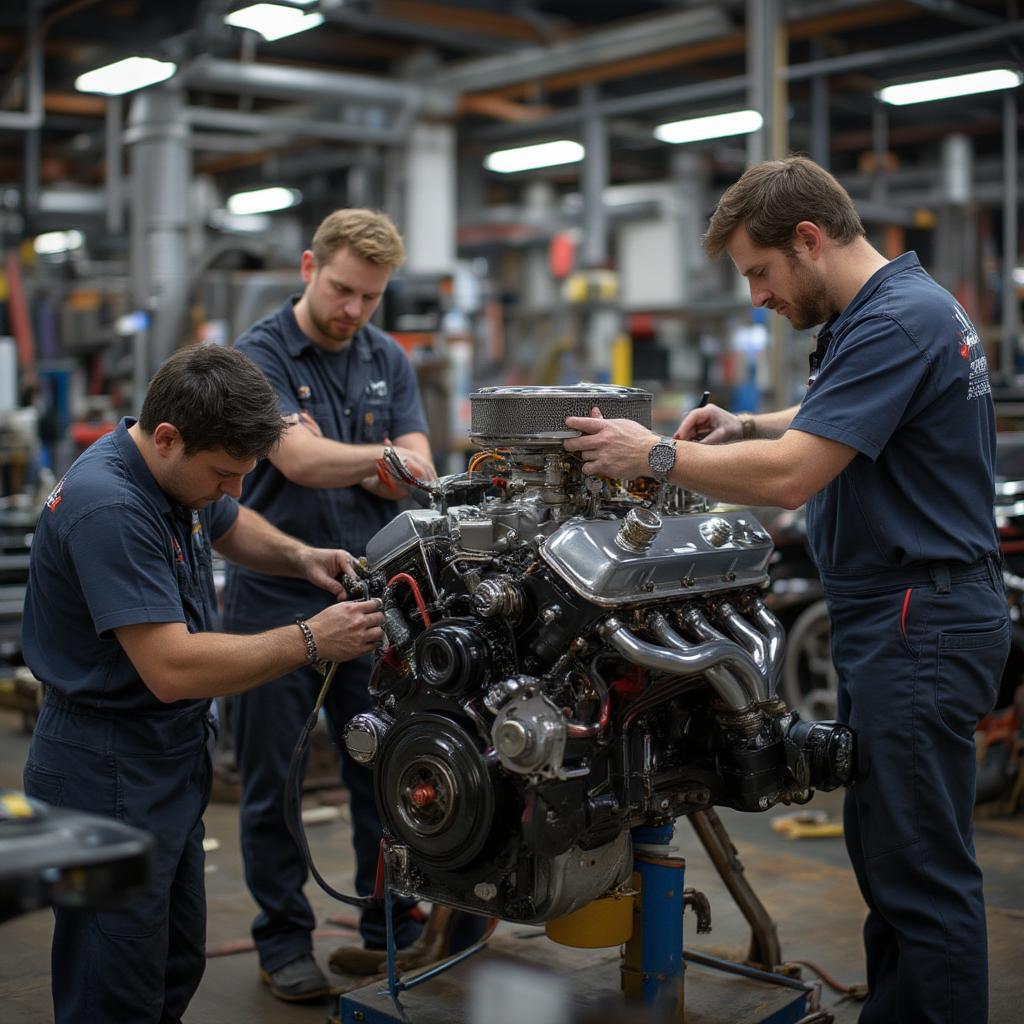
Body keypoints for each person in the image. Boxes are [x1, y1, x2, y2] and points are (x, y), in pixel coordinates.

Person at [564, 155, 1008, 1024]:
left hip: (921, 619)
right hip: (908, 616)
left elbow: (795, 477)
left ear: (808, 240)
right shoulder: (888, 308)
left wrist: (653, 454)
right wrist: (744, 424)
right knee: (889, 854)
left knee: (919, 868)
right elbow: (837, 418)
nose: (758, 297)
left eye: (760, 273)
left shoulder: (896, 320)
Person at [20, 344, 385, 1024]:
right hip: (106, 766)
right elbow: (171, 668)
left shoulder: (168, 470)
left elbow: (227, 522)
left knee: (172, 966)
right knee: (115, 987)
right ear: (167, 438)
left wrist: (301, 556)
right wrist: (312, 638)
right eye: (223, 472)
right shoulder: (110, 507)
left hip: (165, 757)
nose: (234, 488)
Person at [222, 208, 438, 1002]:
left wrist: (361, 460)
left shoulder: (388, 357)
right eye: (342, 288)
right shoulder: (260, 357)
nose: (353, 310)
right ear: (309, 266)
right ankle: (284, 941)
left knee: (383, 771)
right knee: (272, 783)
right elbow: (299, 459)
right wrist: (368, 461)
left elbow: (419, 463)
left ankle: (396, 929)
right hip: (275, 595)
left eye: (369, 298)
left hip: (374, 596)